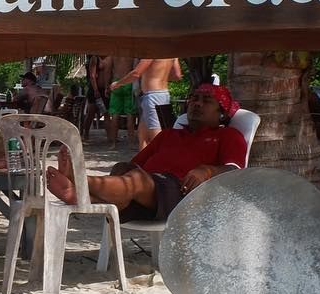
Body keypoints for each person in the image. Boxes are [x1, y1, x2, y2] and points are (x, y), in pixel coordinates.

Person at [46, 82, 247, 219]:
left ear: (222, 113)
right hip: (150, 193)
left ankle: (79, 180)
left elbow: (236, 171)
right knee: (123, 169)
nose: (197, 103)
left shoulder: (228, 135)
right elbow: (134, 164)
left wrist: (207, 170)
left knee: (136, 181)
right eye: (194, 98)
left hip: (184, 194)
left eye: (206, 100)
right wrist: (126, 173)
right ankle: (80, 196)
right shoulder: (169, 135)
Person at [113, 54, 183, 148]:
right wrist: (160, 76)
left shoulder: (152, 52)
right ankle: (144, 157)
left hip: (153, 96)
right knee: (142, 135)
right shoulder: (171, 53)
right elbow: (177, 75)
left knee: (156, 137)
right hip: (164, 95)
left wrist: (118, 83)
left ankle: (161, 157)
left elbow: (136, 73)